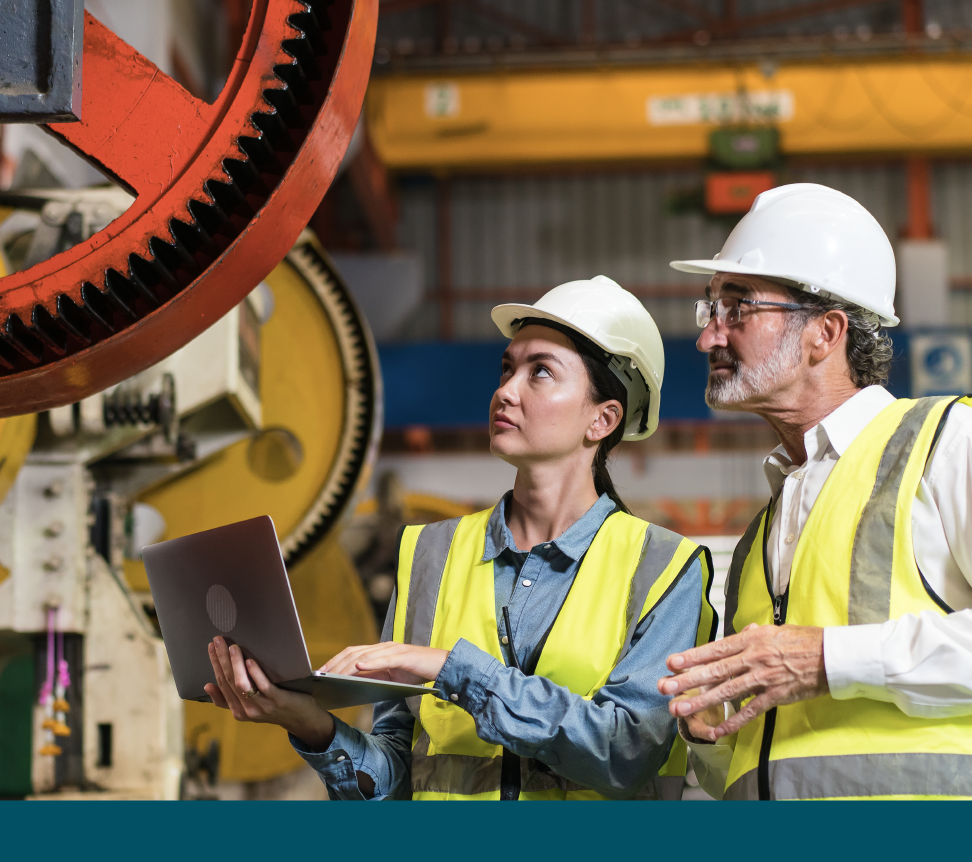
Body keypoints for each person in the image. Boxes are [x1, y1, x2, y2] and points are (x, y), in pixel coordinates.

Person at [657, 183, 972, 801]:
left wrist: (828, 660)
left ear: (825, 332)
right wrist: (712, 738)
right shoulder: (766, 527)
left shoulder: (947, 442)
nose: (710, 337)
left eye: (738, 309)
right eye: (711, 311)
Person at [204, 276, 714, 800]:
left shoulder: (664, 567)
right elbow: (399, 775)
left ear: (602, 420)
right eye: (507, 368)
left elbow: (626, 752)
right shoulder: (426, 554)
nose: (505, 391)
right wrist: (310, 724)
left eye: (540, 372)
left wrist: (452, 668)